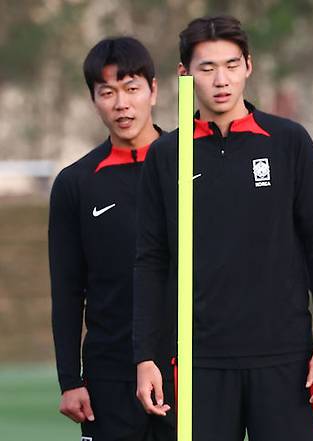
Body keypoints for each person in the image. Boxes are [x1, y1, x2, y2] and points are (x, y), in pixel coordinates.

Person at [132, 15, 313, 441]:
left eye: (231, 65)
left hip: (284, 357)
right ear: (184, 74)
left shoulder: (288, 141)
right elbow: (150, 261)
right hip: (197, 360)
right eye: (207, 68)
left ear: (249, 65)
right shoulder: (166, 155)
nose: (221, 79)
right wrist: (146, 356)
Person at [49, 37, 174, 440]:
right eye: (108, 92)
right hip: (110, 375)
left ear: (153, 90)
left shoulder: (195, 165)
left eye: (132, 88)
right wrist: (70, 379)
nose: (122, 104)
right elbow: (68, 289)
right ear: (94, 99)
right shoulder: (76, 184)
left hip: (190, 366)